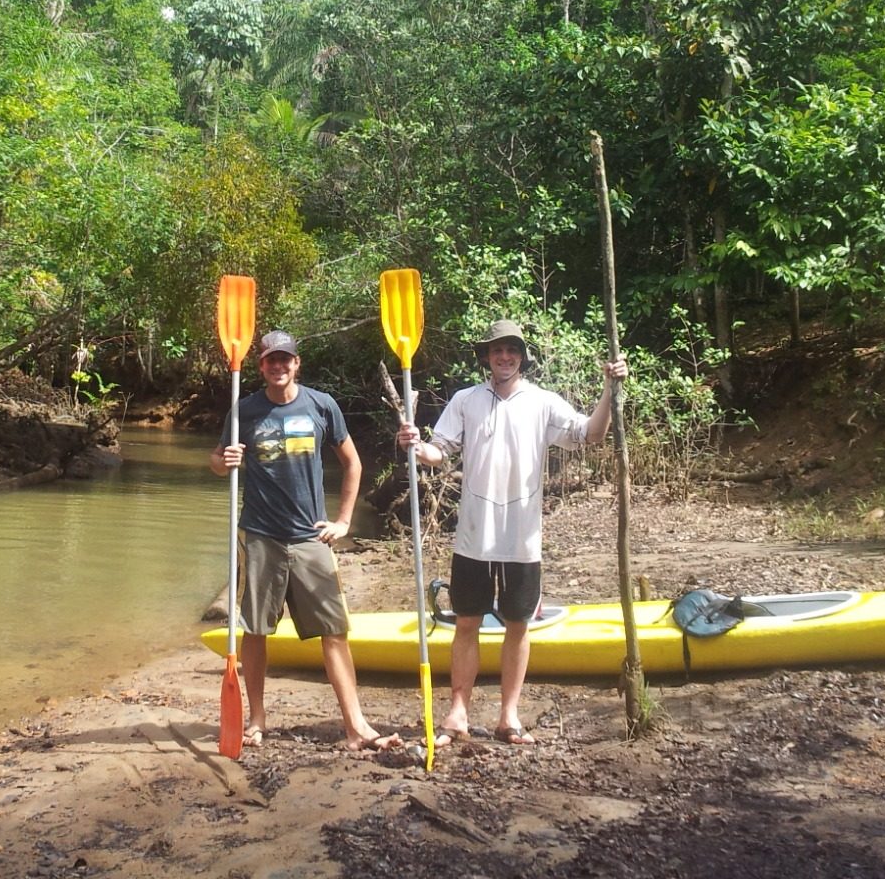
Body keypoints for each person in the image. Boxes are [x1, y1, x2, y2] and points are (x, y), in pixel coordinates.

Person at [395, 319, 627, 746]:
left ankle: (509, 717)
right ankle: (457, 714)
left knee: (517, 625)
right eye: (498, 350)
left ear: (522, 357)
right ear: (487, 356)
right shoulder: (466, 400)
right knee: (466, 622)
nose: (505, 357)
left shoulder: (541, 402)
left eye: (513, 351)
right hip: (473, 538)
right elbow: (437, 453)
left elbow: (590, 433)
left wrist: (609, 392)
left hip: (522, 540)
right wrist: (414, 443)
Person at [209, 329, 401, 752]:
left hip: (310, 537)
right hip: (260, 537)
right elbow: (217, 462)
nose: (278, 367)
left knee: (334, 630)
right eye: (270, 360)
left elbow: (352, 463)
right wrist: (226, 461)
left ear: (297, 364)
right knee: (256, 631)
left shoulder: (321, 405)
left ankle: (356, 725)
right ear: (260, 366)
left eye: (285, 360)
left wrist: (344, 521)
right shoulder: (244, 410)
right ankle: (256, 719)